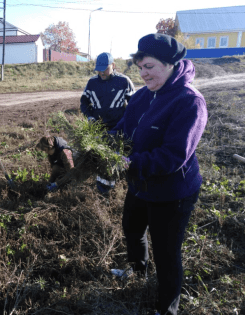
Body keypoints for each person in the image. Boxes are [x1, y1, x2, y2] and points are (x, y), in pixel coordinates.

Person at [109, 34, 208, 315]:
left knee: (167, 253)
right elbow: (123, 130)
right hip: (140, 183)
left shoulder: (190, 102)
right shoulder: (142, 95)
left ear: (171, 64)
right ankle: (138, 270)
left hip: (173, 190)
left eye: (149, 67)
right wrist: (101, 146)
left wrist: (128, 162)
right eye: (140, 67)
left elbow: (173, 156)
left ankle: (167, 309)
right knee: (132, 227)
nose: (143, 74)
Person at [80, 52, 135, 196]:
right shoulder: (92, 83)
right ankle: (102, 190)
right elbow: (84, 102)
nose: (101, 72)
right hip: (99, 128)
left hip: (118, 128)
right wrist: (90, 117)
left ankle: (112, 188)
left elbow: (134, 105)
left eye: (105, 69)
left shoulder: (124, 82)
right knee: (100, 158)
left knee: (114, 159)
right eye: (99, 69)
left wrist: (128, 123)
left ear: (113, 66)